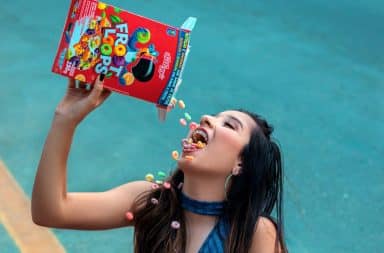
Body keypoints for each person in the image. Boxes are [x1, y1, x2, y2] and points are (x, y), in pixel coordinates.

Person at [32, 75, 288, 253]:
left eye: (229, 125)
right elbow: (51, 211)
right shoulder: (149, 200)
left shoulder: (256, 234)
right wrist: (65, 119)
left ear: (240, 164)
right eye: (214, 116)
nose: (207, 118)